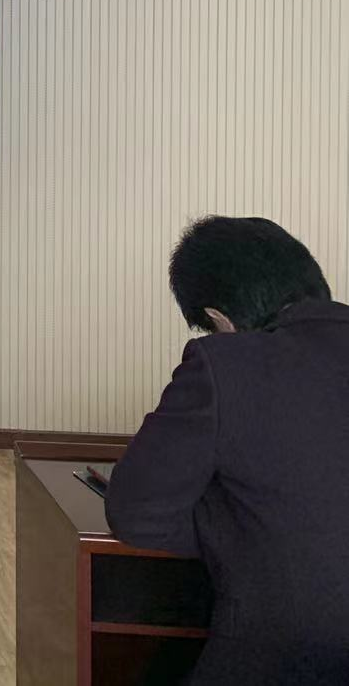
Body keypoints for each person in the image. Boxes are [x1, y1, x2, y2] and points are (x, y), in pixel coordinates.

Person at [105, 216, 349, 683]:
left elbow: (137, 515)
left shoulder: (225, 364)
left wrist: (238, 520)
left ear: (219, 319)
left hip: (280, 658)